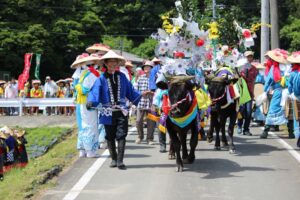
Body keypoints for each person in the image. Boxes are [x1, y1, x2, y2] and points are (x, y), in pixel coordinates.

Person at [87, 50, 147, 169]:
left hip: (121, 111)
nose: (113, 64)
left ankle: (120, 161)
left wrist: (140, 95)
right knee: (110, 136)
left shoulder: (122, 76)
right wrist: (91, 101)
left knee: (121, 135)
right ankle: (113, 159)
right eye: (110, 62)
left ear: (118, 63)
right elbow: (95, 91)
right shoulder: (101, 78)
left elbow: (130, 91)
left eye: (115, 62)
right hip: (107, 111)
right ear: (105, 63)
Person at [71, 53, 102, 158]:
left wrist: (78, 87)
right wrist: (79, 87)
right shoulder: (91, 74)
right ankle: (90, 151)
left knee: (83, 126)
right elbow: (84, 90)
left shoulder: (84, 73)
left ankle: (83, 149)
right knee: (90, 125)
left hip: (81, 102)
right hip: (88, 102)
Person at [260, 49, 288, 139]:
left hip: (278, 92)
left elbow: (268, 81)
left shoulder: (274, 68)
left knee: (272, 110)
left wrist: (265, 90)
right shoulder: (288, 67)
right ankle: (291, 131)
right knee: (289, 111)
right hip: (288, 92)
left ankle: (265, 131)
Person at [237, 51, 258, 136]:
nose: (249, 58)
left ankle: (246, 129)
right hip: (241, 93)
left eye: (250, 57)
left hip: (249, 93)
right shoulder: (239, 68)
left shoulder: (254, 69)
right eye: (247, 57)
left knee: (249, 112)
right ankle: (239, 126)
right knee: (241, 111)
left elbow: (254, 80)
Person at [135, 61, 156, 145]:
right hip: (141, 100)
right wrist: (140, 93)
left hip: (152, 101)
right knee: (138, 121)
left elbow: (158, 91)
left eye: (148, 67)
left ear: (152, 68)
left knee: (151, 122)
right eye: (145, 67)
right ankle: (140, 136)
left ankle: (150, 138)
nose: (146, 68)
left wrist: (151, 92)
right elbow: (135, 88)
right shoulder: (140, 77)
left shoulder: (155, 78)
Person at [287, 51, 300, 146]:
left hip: (297, 96)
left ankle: (297, 134)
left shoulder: (294, 73)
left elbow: (292, 87)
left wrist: (293, 93)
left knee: (297, 116)